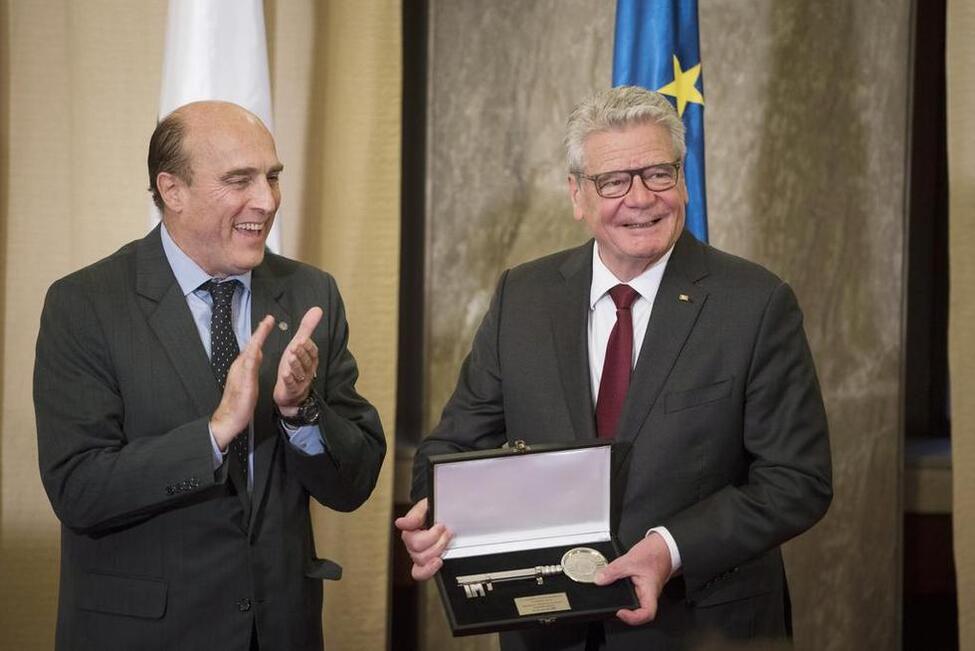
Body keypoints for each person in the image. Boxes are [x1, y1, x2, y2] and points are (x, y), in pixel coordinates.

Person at [396, 86, 832, 650]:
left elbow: (798, 480)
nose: (641, 198)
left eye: (658, 174)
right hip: (547, 631)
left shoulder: (756, 303)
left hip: (700, 629)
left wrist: (668, 548)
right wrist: (436, 515)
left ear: (682, 179)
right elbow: (450, 450)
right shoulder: (523, 297)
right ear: (577, 194)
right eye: (614, 181)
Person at [34, 101, 386, 651]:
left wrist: (301, 414)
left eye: (272, 178)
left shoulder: (311, 294)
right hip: (145, 634)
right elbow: (78, 489)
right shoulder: (85, 304)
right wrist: (214, 433)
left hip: (280, 632)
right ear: (172, 190)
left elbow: (355, 482)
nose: (266, 202)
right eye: (239, 180)